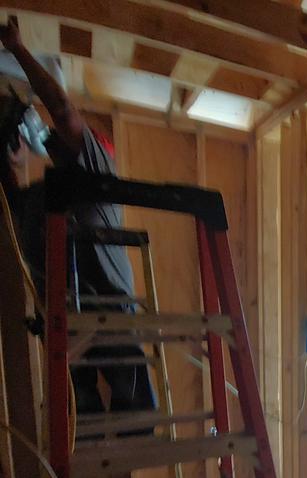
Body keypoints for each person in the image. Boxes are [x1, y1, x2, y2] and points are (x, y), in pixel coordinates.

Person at [0, 16, 155, 415]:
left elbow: (62, 109)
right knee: (103, 414)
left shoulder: (95, 171)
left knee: (131, 413)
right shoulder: (40, 201)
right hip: (70, 319)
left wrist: (17, 48)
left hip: (105, 311)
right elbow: (14, 200)